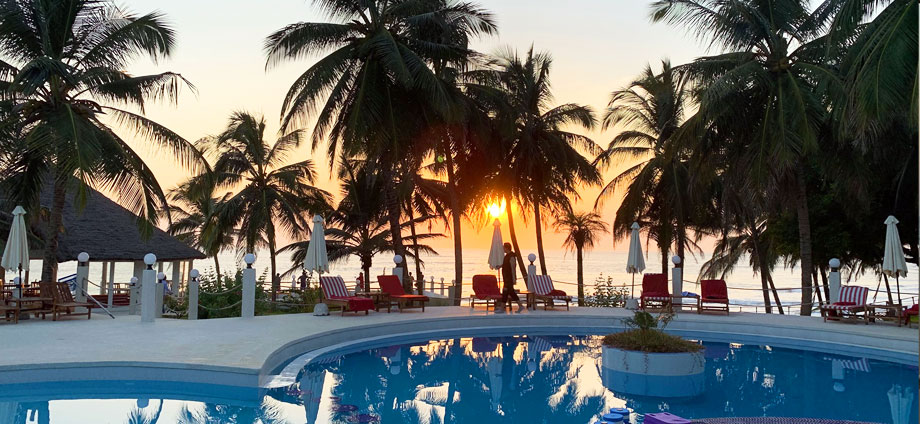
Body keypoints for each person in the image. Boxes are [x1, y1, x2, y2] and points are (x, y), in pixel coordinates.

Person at [500, 242, 526, 313]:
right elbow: (505, 265)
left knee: (506, 292)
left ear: (506, 248)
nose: (503, 249)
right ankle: (520, 306)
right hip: (506, 278)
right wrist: (499, 266)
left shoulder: (512, 256)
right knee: (509, 292)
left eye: (503, 248)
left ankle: (502, 308)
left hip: (509, 278)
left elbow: (513, 268)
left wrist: (514, 278)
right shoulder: (507, 256)